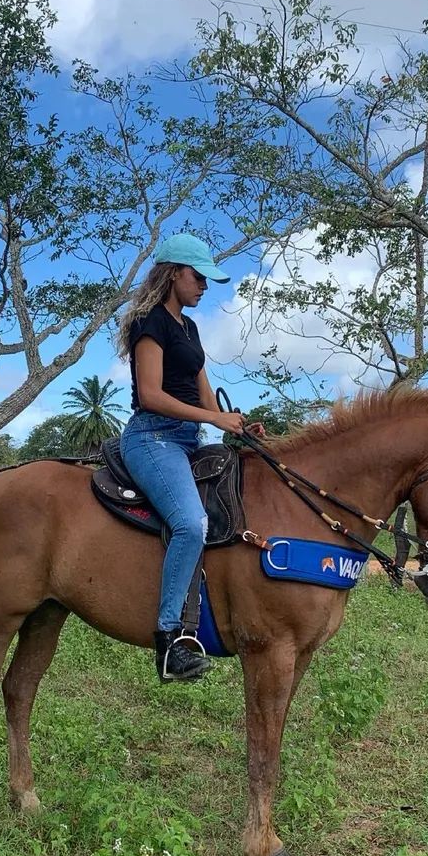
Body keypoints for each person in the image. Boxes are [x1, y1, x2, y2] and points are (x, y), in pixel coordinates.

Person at [116, 232, 249, 683]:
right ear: (174, 274)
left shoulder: (189, 329)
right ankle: (169, 642)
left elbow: (203, 392)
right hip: (153, 438)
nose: (204, 287)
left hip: (190, 438)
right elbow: (151, 395)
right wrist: (211, 418)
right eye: (198, 277)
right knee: (192, 523)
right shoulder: (149, 322)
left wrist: (233, 423)